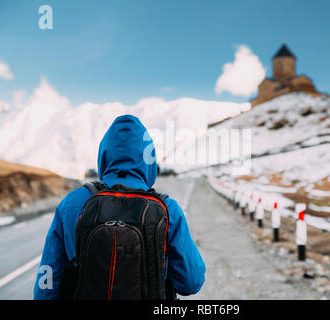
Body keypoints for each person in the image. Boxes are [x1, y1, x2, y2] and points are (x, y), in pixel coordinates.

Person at [33, 115, 205, 299]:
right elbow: (191, 283)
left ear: (104, 156)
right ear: (149, 159)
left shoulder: (72, 203)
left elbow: (47, 283)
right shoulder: (167, 209)